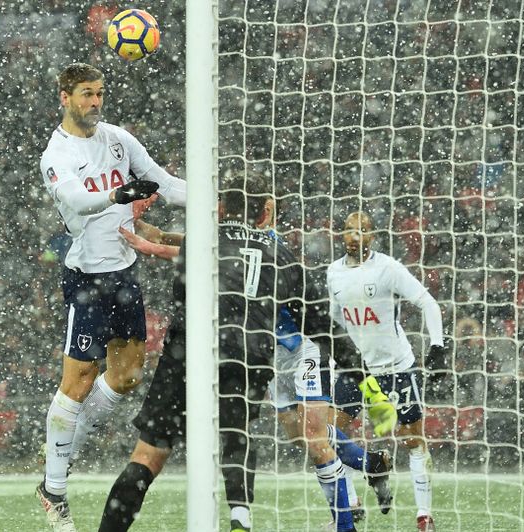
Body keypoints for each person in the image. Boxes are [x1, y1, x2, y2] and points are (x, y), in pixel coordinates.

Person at [101, 182, 390, 532]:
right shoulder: (282, 256)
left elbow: (181, 295)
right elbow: (322, 326)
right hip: (247, 355)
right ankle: (240, 518)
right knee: (237, 436)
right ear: (264, 213)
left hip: (188, 353)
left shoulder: (200, 241)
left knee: (147, 456)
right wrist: (367, 383)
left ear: (220, 209)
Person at [35, 62, 186, 532]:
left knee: (126, 377)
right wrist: (119, 196)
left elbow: (164, 181)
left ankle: (63, 450)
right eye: (86, 94)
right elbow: (78, 200)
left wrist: (213, 198)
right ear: (64, 96)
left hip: (124, 273)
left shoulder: (118, 138)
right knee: (78, 382)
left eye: (99, 93)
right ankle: (54, 490)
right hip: (86, 277)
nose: (95, 102)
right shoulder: (56, 154)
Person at [327, 211, 447, 532]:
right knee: (330, 435)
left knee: (413, 441)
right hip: (355, 370)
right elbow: (333, 322)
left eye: (362, 231)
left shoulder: (388, 268)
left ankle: (424, 515)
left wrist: (437, 346)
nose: (355, 236)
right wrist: (332, 359)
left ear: (373, 235)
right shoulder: (333, 273)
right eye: (349, 230)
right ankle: (351, 502)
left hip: (396, 367)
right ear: (342, 235)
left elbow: (428, 302)